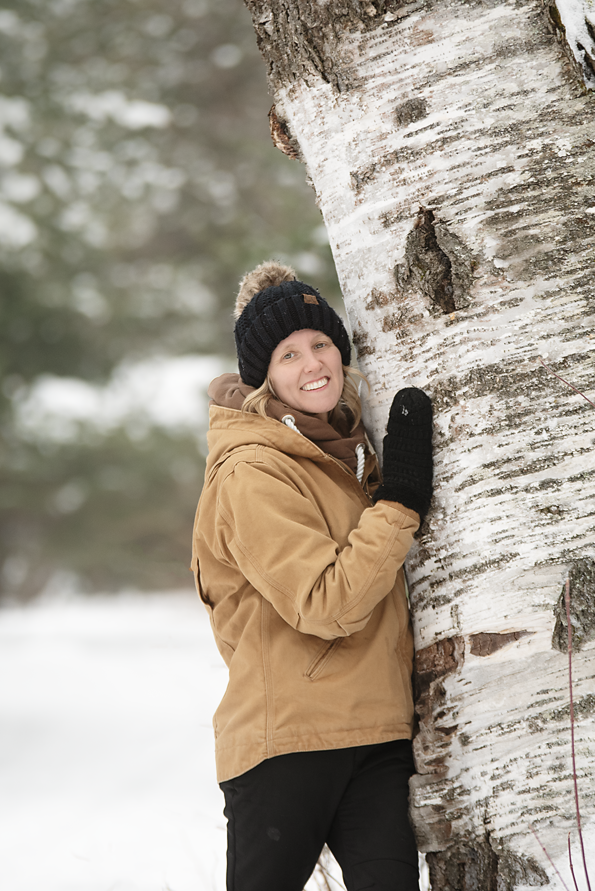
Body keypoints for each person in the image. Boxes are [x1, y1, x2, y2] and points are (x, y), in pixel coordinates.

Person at [191, 261, 434, 891]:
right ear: (262, 380)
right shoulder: (253, 472)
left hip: (377, 735)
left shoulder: (346, 454)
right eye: (288, 355)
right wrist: (401, 499)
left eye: (321, 343)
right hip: (287, 744)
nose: (313, 363)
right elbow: (327, 603)